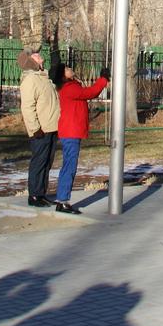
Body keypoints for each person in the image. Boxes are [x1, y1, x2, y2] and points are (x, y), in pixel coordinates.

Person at [54, 63, 110, 214]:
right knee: (69, 166)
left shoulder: (70, 86)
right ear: (62, 74)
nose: (70, 68)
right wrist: (103, 80)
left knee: (68, 165)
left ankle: (61, 199)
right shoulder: (69, 88)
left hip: (70, 131)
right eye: (66, 69)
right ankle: (63, 200)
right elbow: (89, 93)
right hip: (71, 132)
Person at [19, 48, 60, 206]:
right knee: (39, 161)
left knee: (47, 162)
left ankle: (41, 193)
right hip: (40, 130)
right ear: (30, 61)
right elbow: (28, 107)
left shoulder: (44, 77)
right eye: (34, 54)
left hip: (50, 127)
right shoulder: (30, 79)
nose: (38, 55)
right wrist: (35, 128)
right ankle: (34, 195)